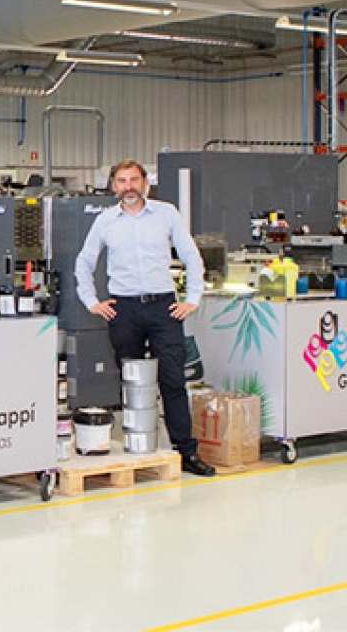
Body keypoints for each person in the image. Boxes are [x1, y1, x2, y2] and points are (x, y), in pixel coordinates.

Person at [75, 159, 215, 477]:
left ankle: (186, 451)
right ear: (113, 186)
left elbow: (191, 255)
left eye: (134, 180)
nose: (129, 187)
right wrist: (91, 302)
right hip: (123, 309)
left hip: (163, 308)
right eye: (122, 181)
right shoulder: (105, 221)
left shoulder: (166, 214)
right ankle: (137, 447)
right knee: (132, 381)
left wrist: (192, 298)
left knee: (173, 380)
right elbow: (84, 262)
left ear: (145, 183)